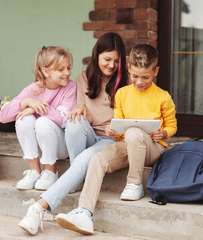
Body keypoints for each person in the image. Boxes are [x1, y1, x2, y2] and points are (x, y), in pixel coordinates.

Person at [56, 44, 177, 235]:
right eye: (135, 76)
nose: (139, 81)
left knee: (134, 133)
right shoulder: (122, 93)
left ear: (156, 72)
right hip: (127, 145)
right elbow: (120, 123)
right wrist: (112, 131)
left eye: (145, 77)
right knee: (97, 159)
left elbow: (172, 125)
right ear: (128, 68)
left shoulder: (163, 96)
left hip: (153, 148)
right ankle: (84, 213)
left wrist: (164, 133)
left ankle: (134, 183)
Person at [18, 32, 128, 235]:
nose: (112, 65)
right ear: (96, 56)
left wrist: (119, 128)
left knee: (85, 155)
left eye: (116, 61)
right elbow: (79, 107)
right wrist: (79, 110)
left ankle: (37, 209)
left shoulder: (127, 83)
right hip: (87, 135)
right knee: (74, 120)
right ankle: (75, 178)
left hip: (109, 139)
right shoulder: (83, 79)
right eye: (107, 59)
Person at [0, 46, 76, 191]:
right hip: (39, 145)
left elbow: (64, 119)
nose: (67, 73)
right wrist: (25, 102)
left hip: (61, 145)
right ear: (45, 71)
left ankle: (51, 171)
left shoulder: (70, 88)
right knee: (23, 119)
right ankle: (34, 171)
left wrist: (37, 108)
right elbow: (3, 117)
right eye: (60, 69)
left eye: (68, 68)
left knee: (42, 121)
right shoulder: (34, 89)